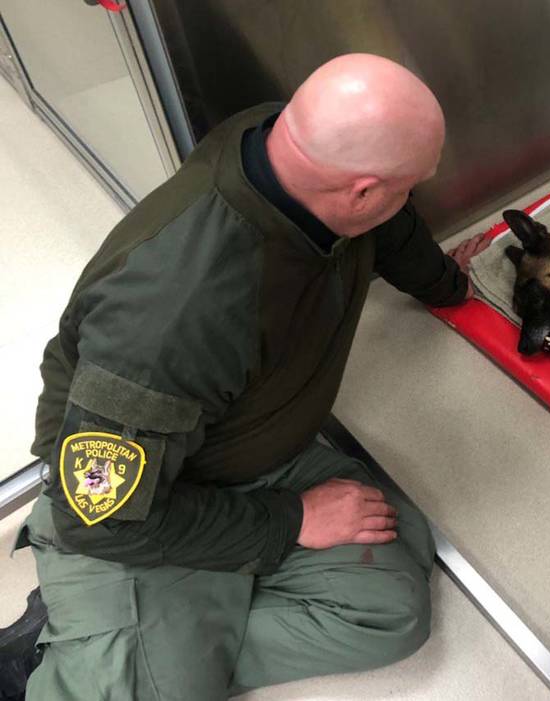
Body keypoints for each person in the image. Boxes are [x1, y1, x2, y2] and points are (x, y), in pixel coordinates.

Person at [1, 53, 491, 700]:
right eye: (404, 187)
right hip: (136, 506)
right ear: (362, 191)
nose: (407, 201)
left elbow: (393, 230)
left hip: (241, 450)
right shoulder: (170, 315)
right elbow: (101, 516)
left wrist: (453, 287)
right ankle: (59, 649)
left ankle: (166, 633)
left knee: (391, 604)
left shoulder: (286, 143)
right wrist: (287, 522)